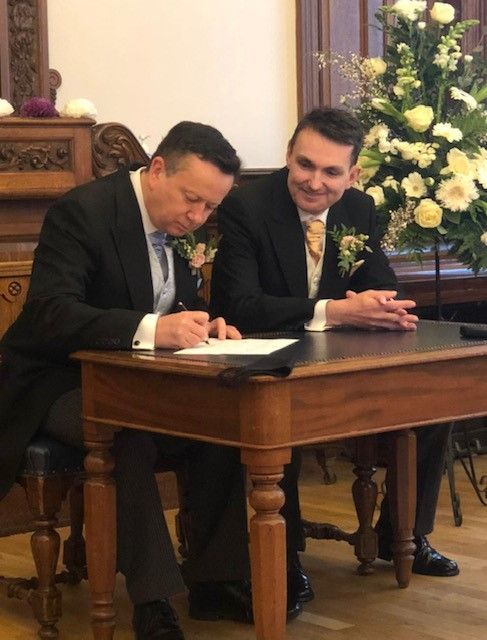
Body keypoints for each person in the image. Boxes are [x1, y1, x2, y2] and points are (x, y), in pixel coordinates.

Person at [0, 121, 270, 640]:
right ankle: (153, 600)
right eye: (192, 200)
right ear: (158, 169)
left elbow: (166, 300)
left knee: (224, 420)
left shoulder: (182, 225)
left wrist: (198, 322)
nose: (197, 217)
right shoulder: (83, 213)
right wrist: (151, 329)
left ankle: (215, 581)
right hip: (57, 381)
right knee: (127, 432)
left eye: (210, 208)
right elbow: (53, 312)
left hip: (143, 380)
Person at [210, 107, 459, 606]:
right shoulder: (247, 208)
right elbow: (238, 304)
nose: (313, 182)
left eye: (330, 172)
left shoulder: (359, 210)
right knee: (278, 419)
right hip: (270, 357)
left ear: (352, 174)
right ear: (287, 157)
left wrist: (381, 306)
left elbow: (380, 281)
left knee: (436, 398)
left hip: (340, 357)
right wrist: (336, 311)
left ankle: (403, 532)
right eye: (304, 165)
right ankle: (288, 557)